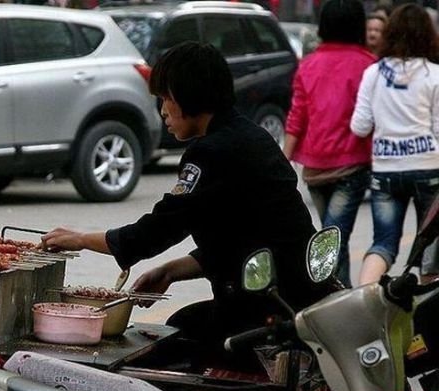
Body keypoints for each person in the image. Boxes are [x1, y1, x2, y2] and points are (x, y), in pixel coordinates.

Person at [41, 42, 335, 358]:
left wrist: (81, 239)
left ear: (190, 96)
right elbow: (239, 240)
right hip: (294, 300)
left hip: (269, 309)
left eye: (166, 98)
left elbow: (158, 230)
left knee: (172, 344)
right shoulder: (251, 136)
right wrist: (169, 272)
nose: (163, 110)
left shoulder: (211, 152)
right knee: (183, 324)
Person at [282, 0, 375, 288]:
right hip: (352, 165)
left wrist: (283, 159)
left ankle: (337, 300)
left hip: (313, 167)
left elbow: (297, 116)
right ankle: (341, 302)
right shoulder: (369, 65)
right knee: (333, 240)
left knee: (331, 238)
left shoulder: (308, 65)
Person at [351, 3, 439, 285]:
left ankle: (363, 305)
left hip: (386, 170)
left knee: (384, 244)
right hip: (428, 168)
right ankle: (429, 317)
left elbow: (359, 126)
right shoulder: (434, 75)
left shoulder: (373, 74)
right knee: (432, 249)